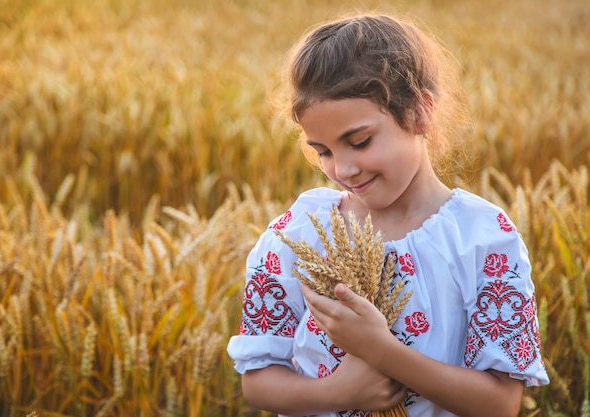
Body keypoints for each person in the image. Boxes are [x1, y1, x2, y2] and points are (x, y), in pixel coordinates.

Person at [226, 12, 549, 417]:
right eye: (323, 151)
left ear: (420, 112)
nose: (342, 169)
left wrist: (381, 350)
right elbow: (257, 382)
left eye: (359, 142)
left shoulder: (482, 239)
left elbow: (501, 403)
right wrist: (338, 393)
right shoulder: (298, 235)